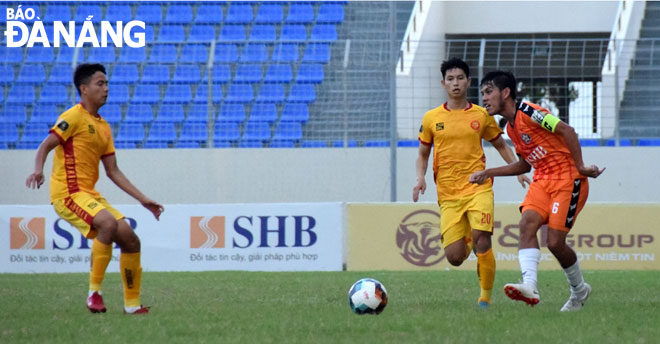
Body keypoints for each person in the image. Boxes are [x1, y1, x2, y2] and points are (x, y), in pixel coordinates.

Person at [26, 63, 163, 314]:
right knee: (108, 224)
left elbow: (113, 171)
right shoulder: (73, 116)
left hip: (88, 194)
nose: (106, 88)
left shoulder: (104, 127)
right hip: (67, 193)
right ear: (84, 88)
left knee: (131, 240)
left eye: (107, 83)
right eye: (100, 84)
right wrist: (38, 169)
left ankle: (132, 305)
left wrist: (144, 200)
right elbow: (45, 146)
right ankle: (94, 294)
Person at [470, 70, 605, 311]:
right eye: (482, 94)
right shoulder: (510, 128)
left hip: (568, 179)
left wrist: (581, 167)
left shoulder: (530, 113)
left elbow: (567, 130)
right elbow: (524, 165)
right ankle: (530, 285)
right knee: (526, 224)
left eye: (489, 92)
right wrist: (488, 172)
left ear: (506, 92)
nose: (485, 98)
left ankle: (579, 290)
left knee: (554, 242)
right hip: (542, 180)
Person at [412, 58, 530, 308]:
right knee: (454, 258)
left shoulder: (481, 115)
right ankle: (467, 240)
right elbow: (423, 153)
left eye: (460, 78)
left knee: (483, 238)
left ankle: (484, 298)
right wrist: (420, 178)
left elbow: (500, 144)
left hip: (478, 186)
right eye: (451, 79)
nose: (456, 83)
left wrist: (517, 169)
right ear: (443, 83)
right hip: (448, 193)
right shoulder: (432, 118)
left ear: (469, 82)